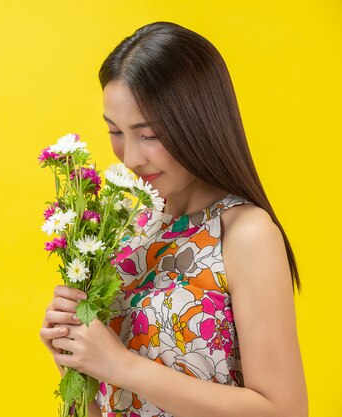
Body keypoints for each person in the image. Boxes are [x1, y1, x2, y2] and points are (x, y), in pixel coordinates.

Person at [39, 21, 308, 417]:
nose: (130, 158)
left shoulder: (244, 233)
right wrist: (73, 357)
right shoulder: (127, 230)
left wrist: (121, 365)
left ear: (197, 124)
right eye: (115, 132)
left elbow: (285, 411)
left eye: (148, 135)